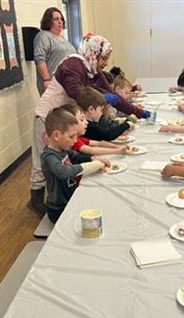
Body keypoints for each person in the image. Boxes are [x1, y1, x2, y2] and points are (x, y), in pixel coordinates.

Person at [29, 34, 150, 216]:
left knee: (63, 158)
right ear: (93, 53)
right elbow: (76, 92)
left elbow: (115, 98)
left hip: (66, 119)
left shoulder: (92, 70)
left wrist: (138, 113)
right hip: (49, 116)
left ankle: (60, 197)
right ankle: (36, 201)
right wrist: (98, 97)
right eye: (103, 58)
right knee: (43, 163)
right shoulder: (74, 64)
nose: (105, 63)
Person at [40, 107, 111, 223]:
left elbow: (77, 157)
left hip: (71, 201)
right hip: (59, 210)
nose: (75, 140)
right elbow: (63, 172)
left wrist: (93, 159)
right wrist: (91, 166)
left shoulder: (62, 149)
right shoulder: (49, 157)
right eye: (72, 136)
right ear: (56, 135)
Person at [33, 7, 76, 96]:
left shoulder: (63, 39)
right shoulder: (43, 36)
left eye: (61, 19)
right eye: (56, 19)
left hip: (67, 83)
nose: (60, 21)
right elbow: (39, 58)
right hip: (52, 83)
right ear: (48, 21)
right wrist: (46, 79)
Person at [60, 104, 131, 156]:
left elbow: (99, 143)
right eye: (81, 120)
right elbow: (91, 150)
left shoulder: (79, 138)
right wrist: (117, 150)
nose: (86, 122)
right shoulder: (74, 141)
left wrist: (118, 147)